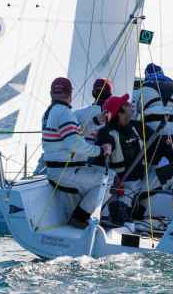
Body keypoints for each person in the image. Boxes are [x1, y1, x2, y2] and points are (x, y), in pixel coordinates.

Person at [41, 77, 112, 228]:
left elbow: (74, 135)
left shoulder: (51, 112)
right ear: (70, 93)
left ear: (51, 93)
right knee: (110, 180)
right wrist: (100, 151)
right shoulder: (64, 113)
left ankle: (80, 213)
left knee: (102, 176)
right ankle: (79, 218)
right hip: (65, 172)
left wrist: (96, 122)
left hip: (57, 170)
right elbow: (74, 144)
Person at [93, 94, 154, 225]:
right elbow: (98, 162)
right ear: (119, 113)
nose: (131, 105)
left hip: (143, 183)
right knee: (119, 211)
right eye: (126, 105)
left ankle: (134, 215)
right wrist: (113, 179)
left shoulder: (136, 126)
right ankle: (123, 218)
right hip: (120, 187)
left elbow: (157, 140)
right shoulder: (106, 133)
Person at [75, 78, 112, 143]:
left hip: (82, 151)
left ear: (93, 92)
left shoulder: (77, 114)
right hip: (104, 151)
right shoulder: (118, 116)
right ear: (110, 94)